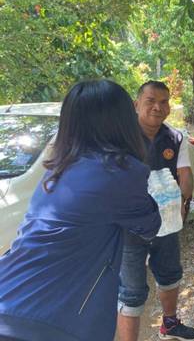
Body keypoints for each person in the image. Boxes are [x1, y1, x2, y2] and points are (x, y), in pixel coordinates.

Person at [0, 79, 162, 341]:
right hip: (46, 321)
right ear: (122, 122)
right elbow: (150, 225)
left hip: (9, 296)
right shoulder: (119, 171)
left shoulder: (57, 168)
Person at [117, 81, 194, 341]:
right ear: (136, 104)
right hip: (130, 227)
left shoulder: (176, 137)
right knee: (131, 291)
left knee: (170, 274)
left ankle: (170, 324)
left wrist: (183, 200)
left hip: (166, 221)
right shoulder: (120, 137)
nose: (157, 107)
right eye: (150, 101)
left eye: (164, 102)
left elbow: (185, 176)